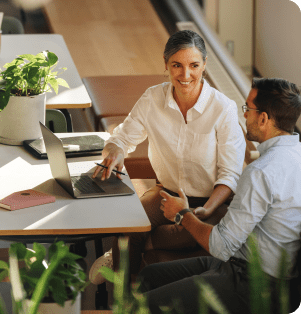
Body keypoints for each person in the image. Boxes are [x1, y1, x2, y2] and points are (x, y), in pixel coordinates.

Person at [89, 29, 246, 285]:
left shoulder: (223, 109)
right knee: (129, 226)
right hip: (166, 194)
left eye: (194, 65)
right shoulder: (153, 98)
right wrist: (116, 150)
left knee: (177, 234)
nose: (186, 75)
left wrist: (201, 211)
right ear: (166, 65)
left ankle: (133, 253)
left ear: (204, 65)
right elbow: (122, 138)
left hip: (212, 202)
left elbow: (230, 175)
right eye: (177, 65)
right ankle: (125, 297)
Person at [137, 77, 301, 314]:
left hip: (254, 283)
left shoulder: (261, 172)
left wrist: (182, 214)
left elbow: (221, 245)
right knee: (149, 276)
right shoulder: (294, 154)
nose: (244, 116)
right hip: (262, 273)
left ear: (264, 118)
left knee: (146, 305)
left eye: (248, 109)